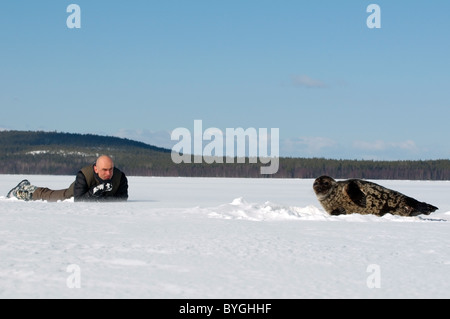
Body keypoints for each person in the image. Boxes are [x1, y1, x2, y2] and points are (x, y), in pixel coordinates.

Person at [6, 155, 128, 202]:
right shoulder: (84, 175)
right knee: (50, 196)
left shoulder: (120, 177)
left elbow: (122, 199)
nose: (108, 173)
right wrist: (95, 191)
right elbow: (79, 200)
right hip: (74, 193)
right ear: (96, 168)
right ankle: (24, 191)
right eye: (104, 170)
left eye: (111, 169)